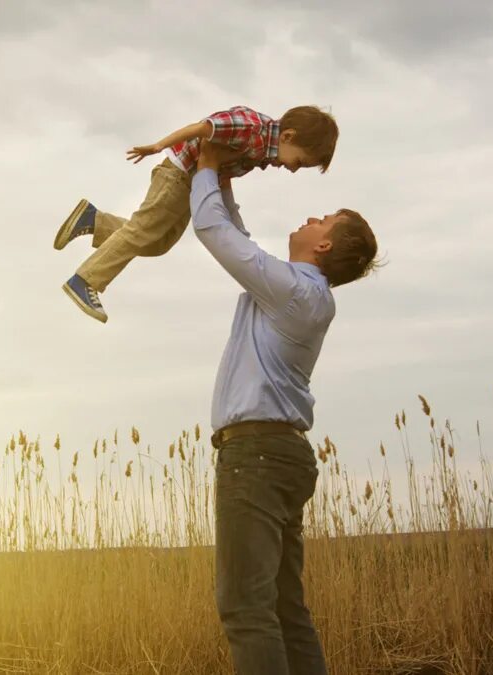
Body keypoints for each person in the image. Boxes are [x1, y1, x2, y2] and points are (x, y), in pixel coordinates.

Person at [190, 139, 379, 674]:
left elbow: (216, 235)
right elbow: (242, 241)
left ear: (324, 247)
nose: (313, 216)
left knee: (246, 608)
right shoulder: (298, 291)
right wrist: (224, 184)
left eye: (325, 219)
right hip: (279, 455)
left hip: (257, 455)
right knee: (283, 608)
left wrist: (205, 168)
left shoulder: (296, 291)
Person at [54, 105, 339, 323]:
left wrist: (233, 222)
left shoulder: (263, 152)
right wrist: (159, 145)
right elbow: (203, 128)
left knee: (158, 242)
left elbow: (223, 176)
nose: (292, 169)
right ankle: (85, 280)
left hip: (191, 183)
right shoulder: (252, 127)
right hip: (177, 175)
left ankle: (93, 220)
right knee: (142, 231)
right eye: (299, 162)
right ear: (288, 136)